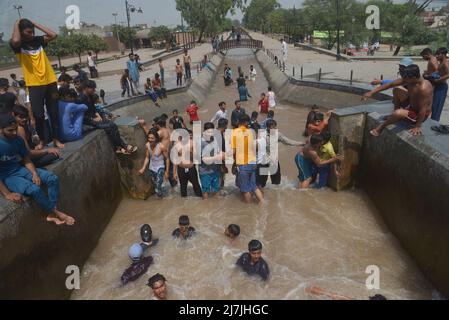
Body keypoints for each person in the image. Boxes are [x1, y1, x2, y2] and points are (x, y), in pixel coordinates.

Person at [0, 114, 75, 226]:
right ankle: (57, 213)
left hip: (19, 169)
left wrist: (34, 173)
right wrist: (7, 194)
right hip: (7, 177)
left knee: (52, 178)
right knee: (35, 190)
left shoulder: (18, 140)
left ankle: (51, 213)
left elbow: (26, 158)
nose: (14, 133)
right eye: (10, 130)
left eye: (15, 129)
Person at [10, 19, 64, 149]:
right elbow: (16, 40)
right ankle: (42, 140)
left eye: (33, 31)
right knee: (38, 114)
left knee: (54, 112)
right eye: (29, 32)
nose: (32, 34)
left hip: (50, 80)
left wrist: (34, 24)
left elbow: (53, 35)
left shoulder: (39, 40)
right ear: (22, 32)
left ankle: (56, 139)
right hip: (34, 84)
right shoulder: (18, 45)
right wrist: (17, 23)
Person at [362, 64, 433, 137]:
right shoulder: (409, 80)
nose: (404, 79)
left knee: (398, 113)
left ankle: (380, 128)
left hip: (418, 114)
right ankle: (394, 116)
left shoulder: (424, 88)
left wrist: (417, 126)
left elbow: (423, 110)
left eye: (406, 78)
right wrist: (371, 92)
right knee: (397, 90)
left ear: (414, 77)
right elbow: (390, 84)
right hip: (411, 105)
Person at [77, 80, 137, 154]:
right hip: (88, 122)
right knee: (110, 126)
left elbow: (94, 109)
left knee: (112, 124)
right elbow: (81, 116)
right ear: (86, 88)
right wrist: (93, 119)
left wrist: (98, 115)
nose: (94, 90)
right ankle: (123, 146)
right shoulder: (80, 99)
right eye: (92, 88)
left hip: (95, 119)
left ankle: (119, 147)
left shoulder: (90, 96)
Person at [231, 114, 264, 204]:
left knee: (245, 189)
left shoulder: (234, 132)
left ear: (238, 121)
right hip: (253, 163)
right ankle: (262, 202)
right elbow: (256, 147)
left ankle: (249, 209)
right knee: (254, 186)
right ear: (246, 122)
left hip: (243, 164)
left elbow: (233, 151)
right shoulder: (251, 132)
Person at [138, 129, 170, 198]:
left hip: (160, 167)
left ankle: (161, 200)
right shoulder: (147, 145)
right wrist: (143, 168)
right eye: (149, 138)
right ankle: (163, 193)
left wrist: (167, 171)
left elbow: (167, 159)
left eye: (152, 138)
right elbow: (147, 157)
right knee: (156, 184)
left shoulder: (161, 146)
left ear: (156, 139)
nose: (150, 140)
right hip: (152, 167)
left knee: (158, 185)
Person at [173, 129, 202, 198]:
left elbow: (197, 157)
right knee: (183, 187)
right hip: (181, 169)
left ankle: (201, 201)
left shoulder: (192, 143)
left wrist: (190, 152)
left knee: (196, 185)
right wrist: (174, 172)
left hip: (191, 168)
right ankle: (184, 205)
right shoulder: (176, 144)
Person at [198, 122, 224, 200]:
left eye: (212, 132)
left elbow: (219, 152)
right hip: (204, 171)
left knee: (216, 190)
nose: (210, 134)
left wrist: (226, 155)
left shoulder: (215, 139)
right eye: (208, 132)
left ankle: (215, 209)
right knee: (205, 190)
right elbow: (203, 159)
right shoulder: (200, 142)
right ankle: (206, 208)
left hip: (215, 170)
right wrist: (216, 157)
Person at [430, 48, 449, 122]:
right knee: (434, 105)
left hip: (442, 87)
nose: (436, 56)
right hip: (438, 86)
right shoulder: (441, 62)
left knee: (437, 106)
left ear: (443, 55)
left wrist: (438, 79)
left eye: (438, 54)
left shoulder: (445, 63)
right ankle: (433, 121)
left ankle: (434, 122)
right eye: (436, 54)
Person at [217, 118, 229, 192]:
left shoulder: (218, 133)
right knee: (220, 179)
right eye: (226, 126)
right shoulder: (218, 135)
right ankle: (218, 196)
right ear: (224, 126)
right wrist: (222, 165)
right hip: (219, 162)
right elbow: (218, 152)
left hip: (220, 161)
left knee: (220, 179)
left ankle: (219, 194)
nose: (227, 127)